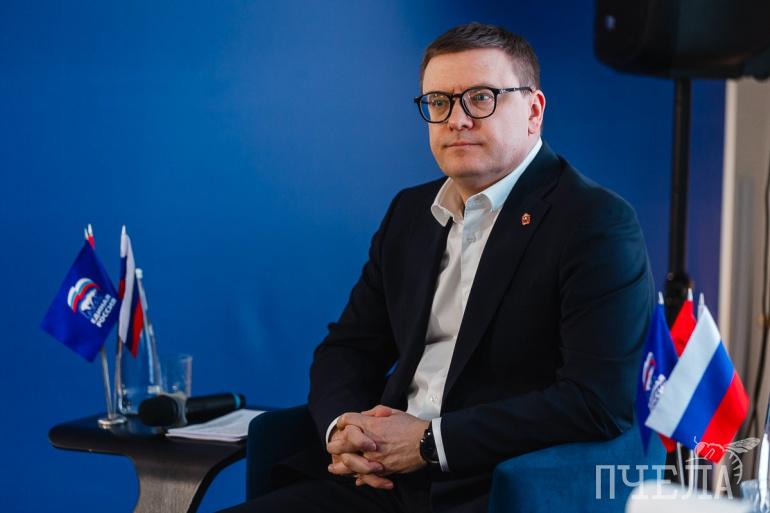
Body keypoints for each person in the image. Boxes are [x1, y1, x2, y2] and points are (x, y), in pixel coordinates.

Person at [223, 22, 654, 513]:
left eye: (480, 98)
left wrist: (430, 441)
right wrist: (344, 428)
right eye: (439, 102)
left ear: (533, 111)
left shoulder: (595, 221)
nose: (457, 120)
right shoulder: (410, 213)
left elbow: (596, 401)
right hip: (378, 480)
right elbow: (348, 348)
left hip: (493, 488)